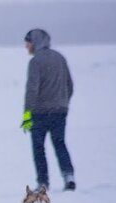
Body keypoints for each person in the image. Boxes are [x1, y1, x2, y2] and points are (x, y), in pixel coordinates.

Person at [21, 29, 76, 191]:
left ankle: (43, 182)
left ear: (35, 42)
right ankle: (69, 176)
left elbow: (32, 90)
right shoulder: (60, 58)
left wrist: (26, 115)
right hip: (60, 111)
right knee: (60, 143)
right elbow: (70, 86)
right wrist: (62, 103)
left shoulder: (36, 62)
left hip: (40, 113)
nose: (26, 46)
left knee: (39, 147)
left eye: (27, 43)